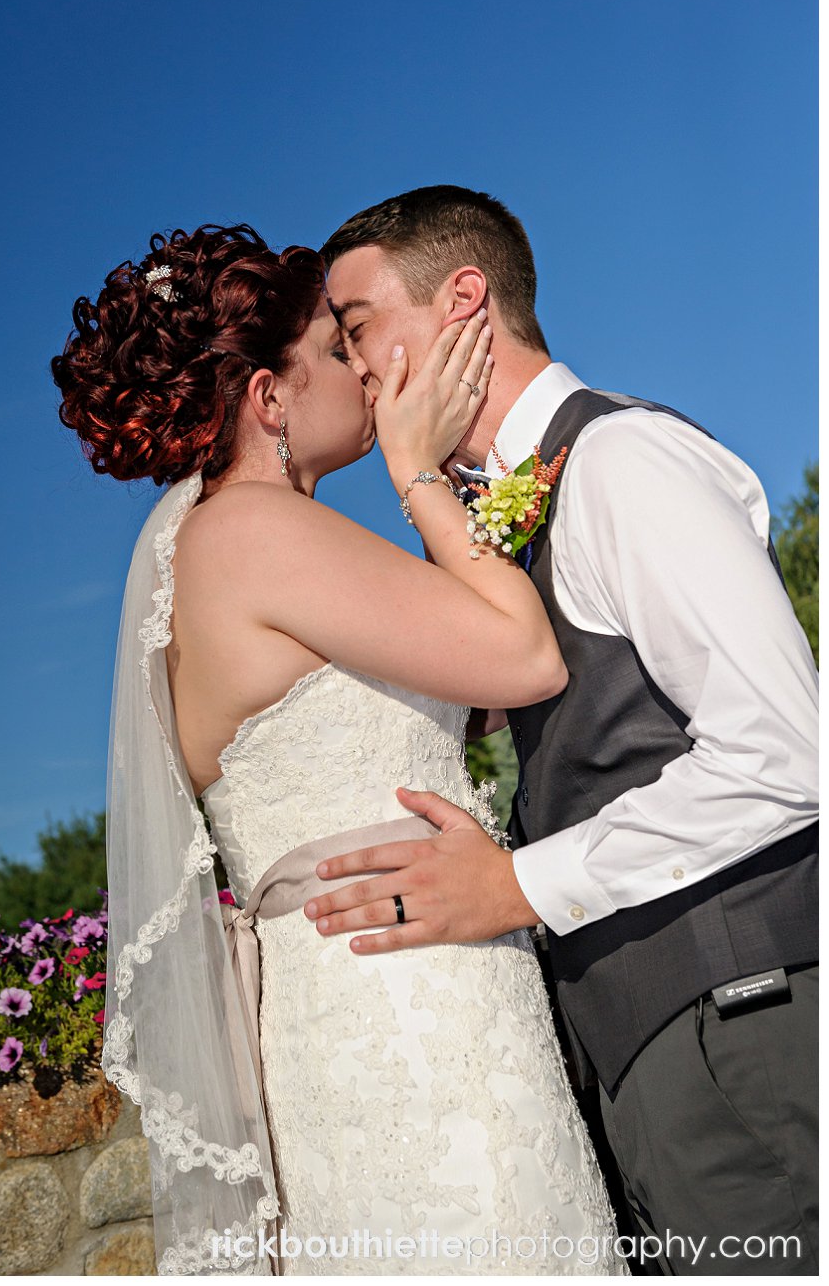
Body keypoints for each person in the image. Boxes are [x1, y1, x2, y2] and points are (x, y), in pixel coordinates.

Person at [54, 224, 620, 1274]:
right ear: (270, 398)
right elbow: (524, 654)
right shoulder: (257, 531)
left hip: (357, 995)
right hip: (409, 1003)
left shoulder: (217, 545)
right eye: (333, 342)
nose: (362, 366)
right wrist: (416, 471)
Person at [305, 185, 818, 1274]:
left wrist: (520, 885)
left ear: (463, 301)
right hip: (649, 1053)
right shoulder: (511, 511)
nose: (352, 369)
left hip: (744, 1021)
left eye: (358, 329)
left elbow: (786, 753)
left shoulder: (624, 464)